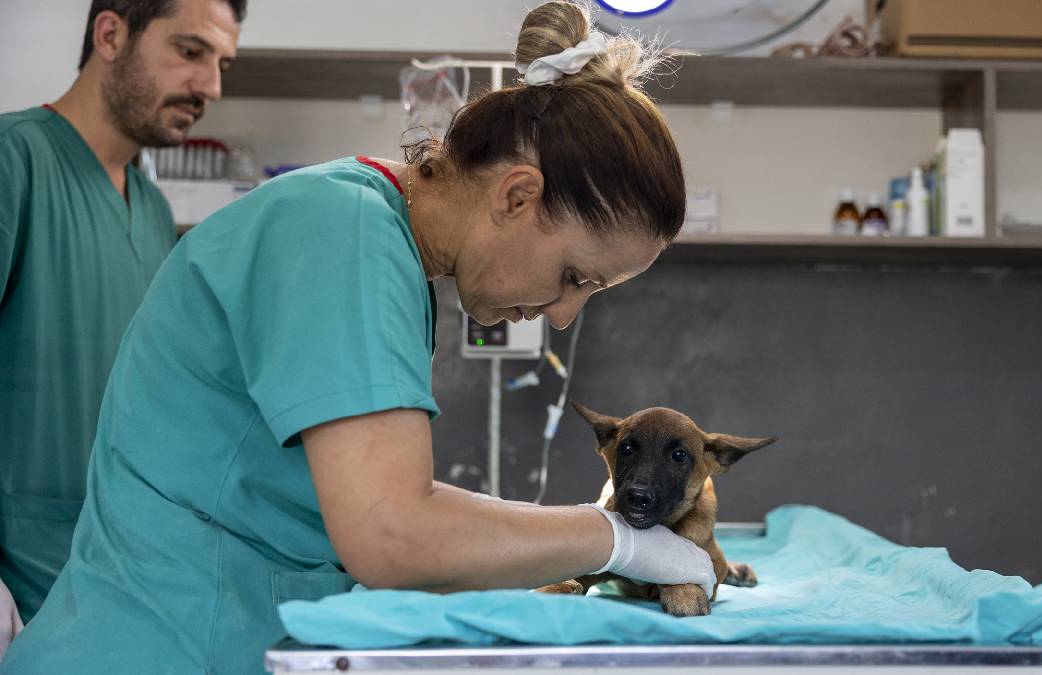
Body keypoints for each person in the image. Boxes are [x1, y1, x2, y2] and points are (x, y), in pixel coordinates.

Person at [1, 2, 714, 672]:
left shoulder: (381, 243)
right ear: (517, 195)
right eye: (573, 275)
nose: (562, 314)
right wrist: (618, 540)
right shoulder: (343, 235)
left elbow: (381, 495)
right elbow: (391, 531)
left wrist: (561, 553)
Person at [0, 0, 246, 644]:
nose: (211, 86)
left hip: (110, 578)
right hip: (16, 579)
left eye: (222, 63)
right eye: (190, 52)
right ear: (110, 35)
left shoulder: (153, 210)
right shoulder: (12, 164)